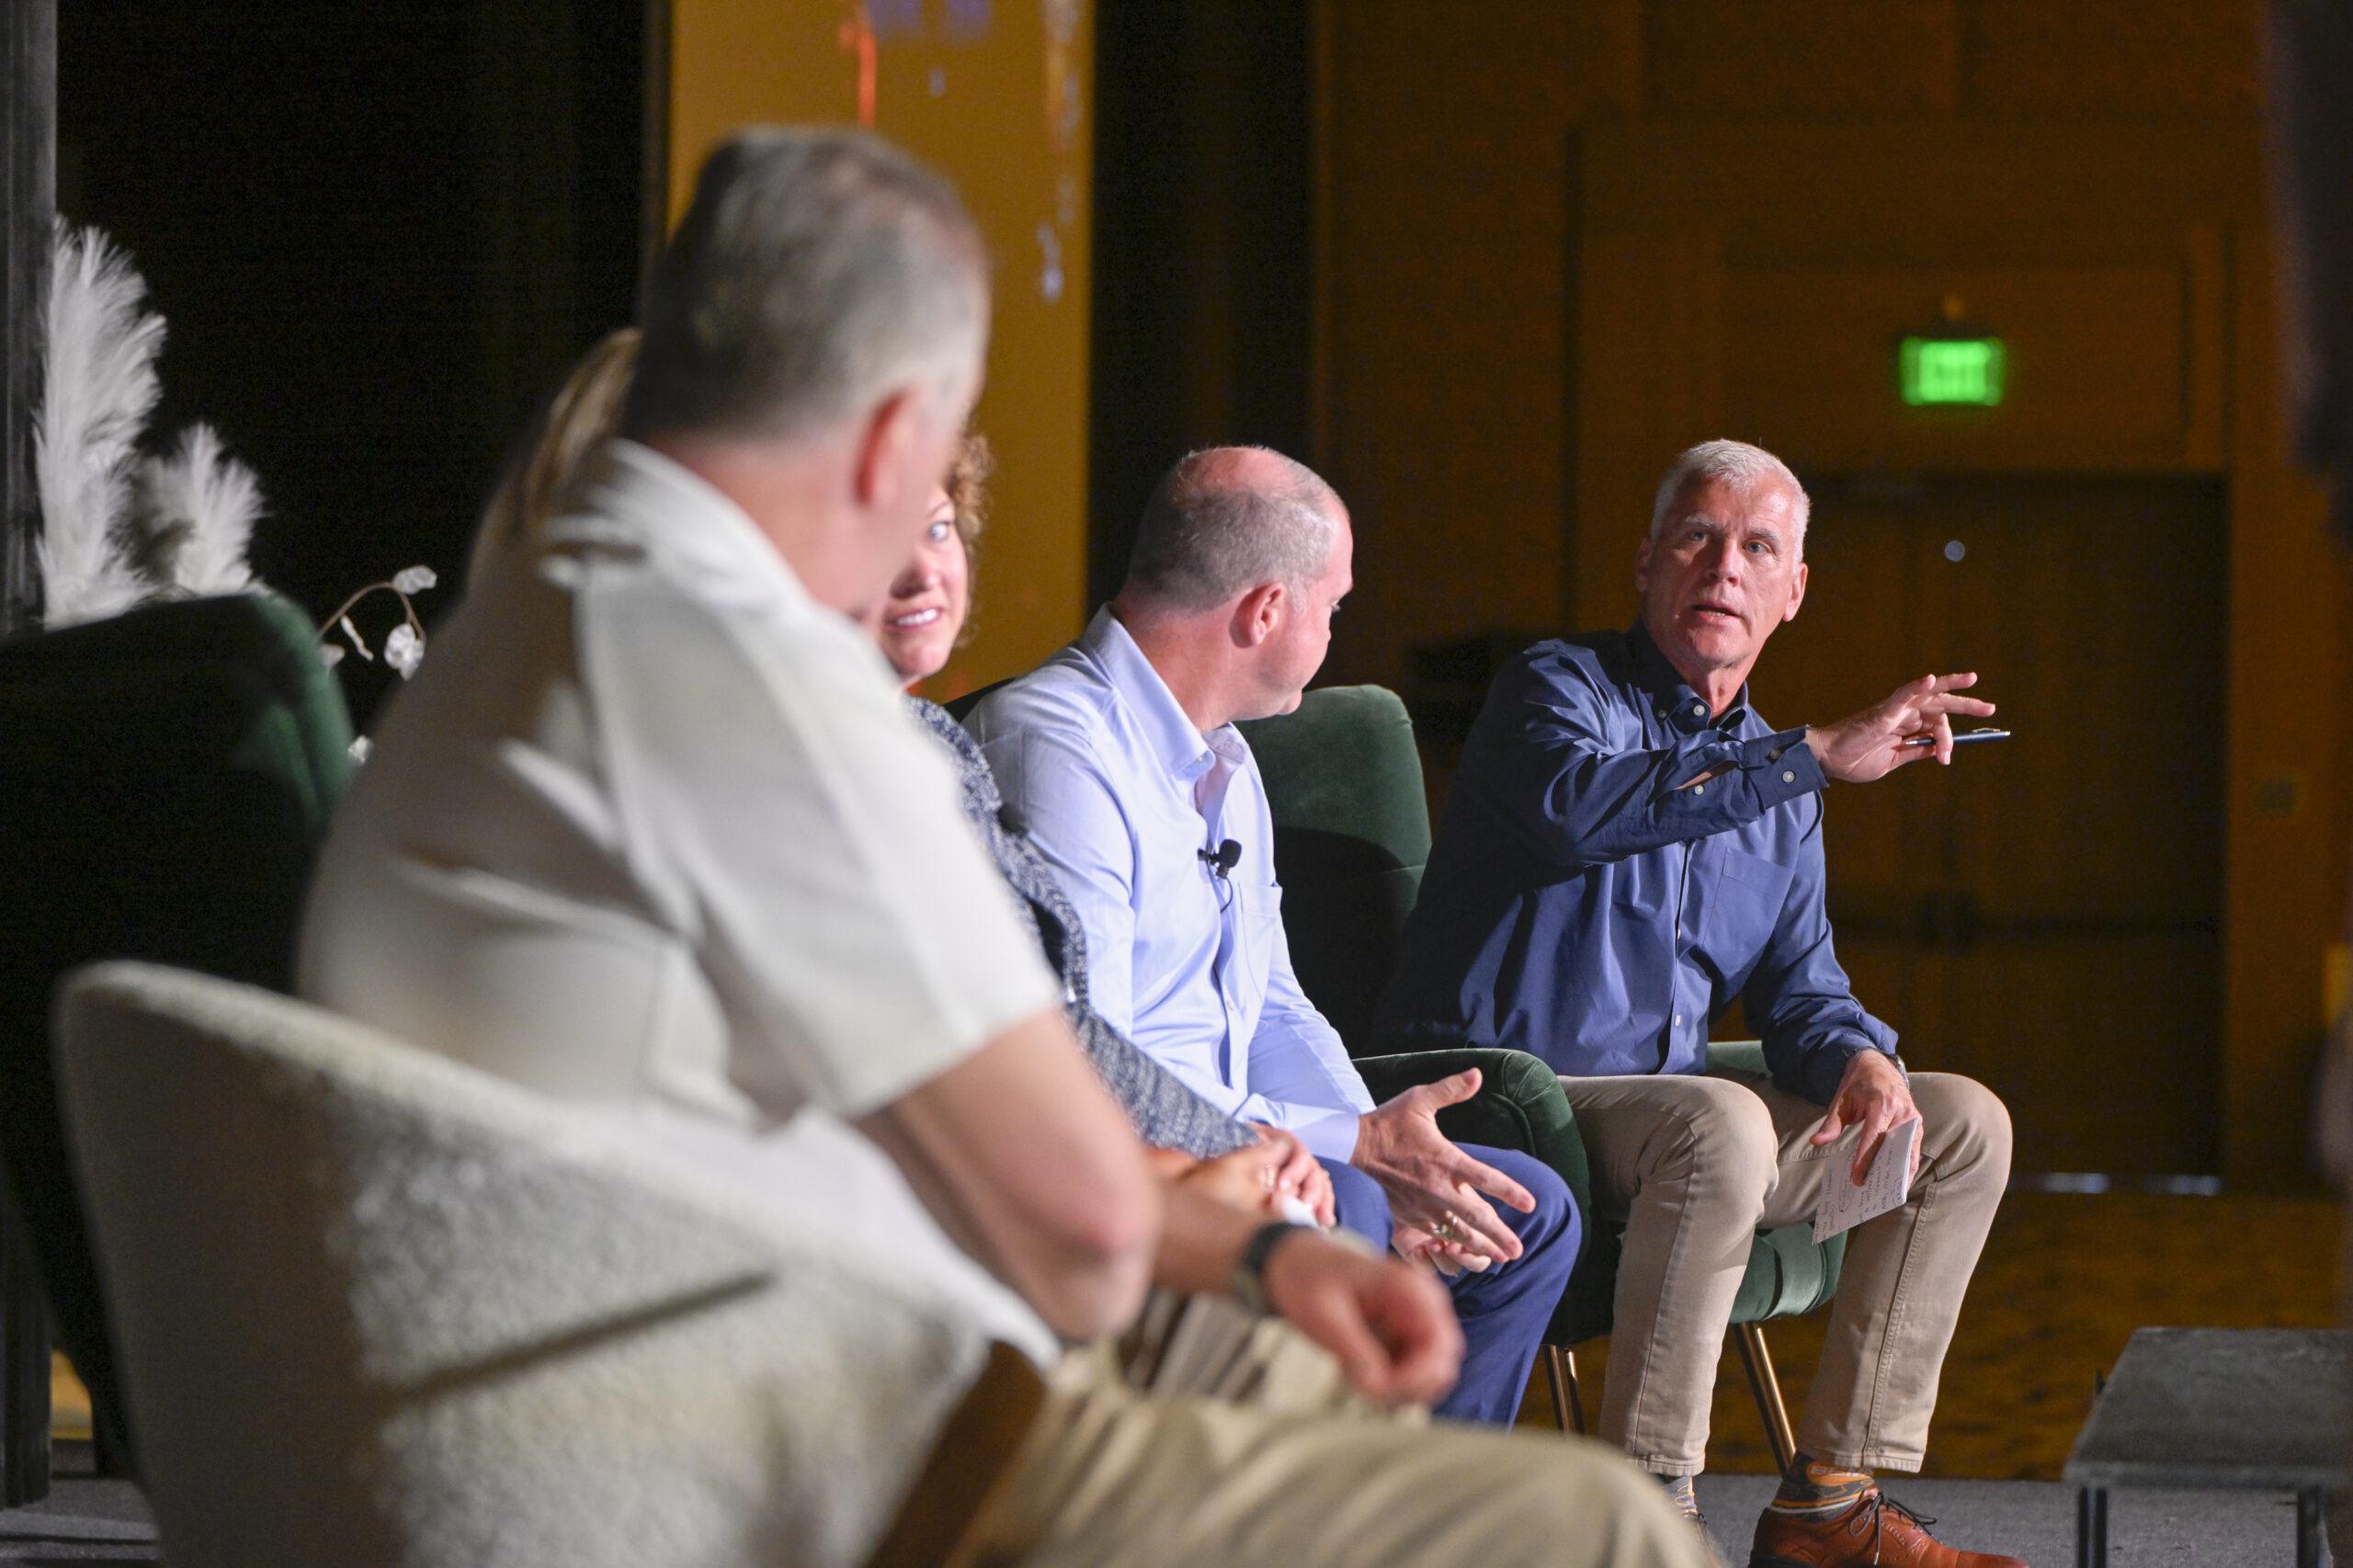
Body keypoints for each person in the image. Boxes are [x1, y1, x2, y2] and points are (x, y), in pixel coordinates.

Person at [300, 127, 1698, 1568]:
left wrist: (1242, 1226)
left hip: (533, 1421)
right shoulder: (787, 711)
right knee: (1600, 1521)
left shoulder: (504, 647)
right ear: (898, 429)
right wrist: (1237, 1210)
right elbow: (1072, 1219)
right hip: (778, 1453)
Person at [1371, 438, 2022, 1568]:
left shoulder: (1784, 785)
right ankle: (1647, 1511)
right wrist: (1808, 754)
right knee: (1716, 1123)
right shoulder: (1552, 688)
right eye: (1697, 537)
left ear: (1792, 590)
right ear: (1647, 562)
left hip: (1665, 1122)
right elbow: (1579, 811)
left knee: (1961, 1121)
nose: (1724, 566)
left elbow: (1799, 988)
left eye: (1757, 548)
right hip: (1508, 1096)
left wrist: (1859, 1057)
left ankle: (1831, 1496)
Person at [967, 445, 1581, 1429]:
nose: (1337, 629)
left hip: (1268, 1146)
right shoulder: (1055, 745)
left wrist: (1381, 1143)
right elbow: (1088, 1055)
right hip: (1142, 1167)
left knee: (1527, 1211)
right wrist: (1346, 1150)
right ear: (1264, 611)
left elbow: (1273, 1003)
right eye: (1332, 606)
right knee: (1349, 1206)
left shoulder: (1230, 761)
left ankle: (1409, 1504)